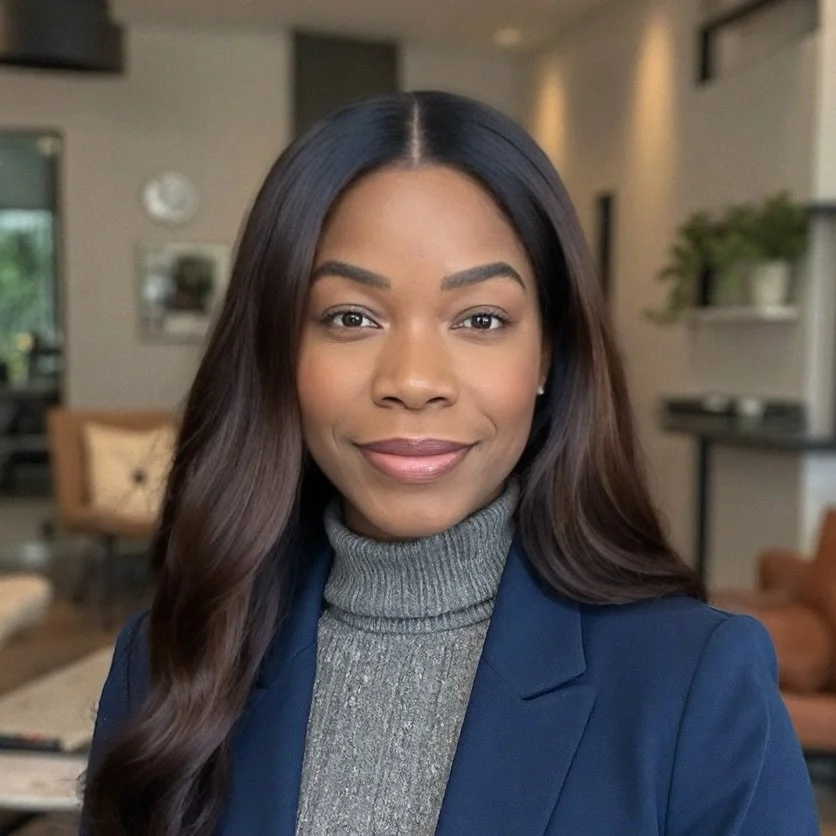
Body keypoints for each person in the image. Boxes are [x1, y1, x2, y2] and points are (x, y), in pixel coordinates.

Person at [81, 91, 818, 836]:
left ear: (547, 353)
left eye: (480, 319)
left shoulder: (693, 682)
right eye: (351, 317)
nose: (413, 380)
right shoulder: (170, 660)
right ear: (279, 349)